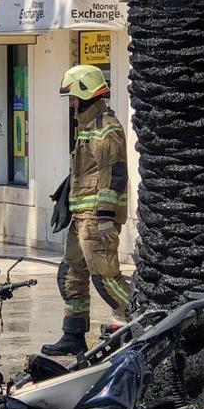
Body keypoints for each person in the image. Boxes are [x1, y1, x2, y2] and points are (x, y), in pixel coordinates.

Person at [40, 67, 130, 357]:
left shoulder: (107, 126)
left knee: (105, 278)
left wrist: (105, 214)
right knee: (70, 274)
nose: (71, 103)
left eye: (72, 97)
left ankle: (141, 318)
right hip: (82, 217)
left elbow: (113, 172)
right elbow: (85, 171)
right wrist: (64, 199)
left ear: (84, 93)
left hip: (95, 219)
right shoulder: (88, 126)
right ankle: (74, 335)